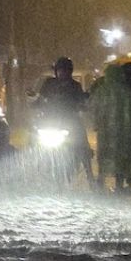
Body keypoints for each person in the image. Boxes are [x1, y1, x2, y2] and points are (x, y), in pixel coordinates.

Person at [35, 57, 97, 188]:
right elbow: (40, 99)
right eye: (59, 70)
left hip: (70, 122)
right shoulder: (48, 84)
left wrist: (83, 104)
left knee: (82, 146)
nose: (61, 73)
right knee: (36, 142)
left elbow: (81, 101)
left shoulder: (75, 86)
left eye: (64, 70)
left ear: (69, 71)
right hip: (50, 122)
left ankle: (90, 176)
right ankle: (38, 170)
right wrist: (35, 104)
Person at [90, 64, 131, 192]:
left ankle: (101, 179)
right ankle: (119, 183)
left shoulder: (101, 91)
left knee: (104, 154)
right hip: (123, 131)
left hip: (105, 130)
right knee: (121, 156)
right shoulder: (126, 92)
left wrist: (95, 124)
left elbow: (93, 108)